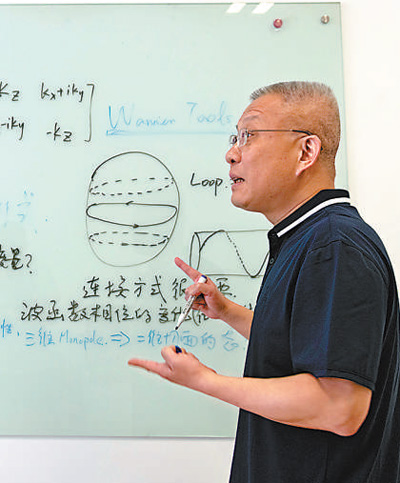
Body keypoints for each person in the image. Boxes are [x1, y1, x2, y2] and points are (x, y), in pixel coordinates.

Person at [128, 81, 400, 482]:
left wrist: (206, 381)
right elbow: (308, 344)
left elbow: (340, 407)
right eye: (235, 138)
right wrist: (228, 311)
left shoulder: (334, 245)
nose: (231, 153)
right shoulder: (309, 237)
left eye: (249, 135)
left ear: (306, 152)